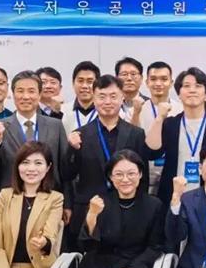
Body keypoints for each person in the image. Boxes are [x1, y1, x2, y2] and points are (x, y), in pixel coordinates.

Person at [65, 74, 157, 253]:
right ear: (93, 98)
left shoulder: (136, 134)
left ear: (122, 98)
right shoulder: (80, 134)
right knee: (90, 259)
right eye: (102, 96)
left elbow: (143, 176)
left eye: (113, 96)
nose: (108, 101)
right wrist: (72, 150)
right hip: (90, 207)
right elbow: (68, 174)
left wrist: (140, 206)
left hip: (128, 209)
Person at [146, 68, 206, 207]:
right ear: (179, 94)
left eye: (198, 86)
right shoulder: (170, 124)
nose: (192, 90)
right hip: (174, 196)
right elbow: (152, 152)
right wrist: (160, 118)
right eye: (186, 86)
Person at [0, 70, 69, 190]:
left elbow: (65, 169)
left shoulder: (55, 126)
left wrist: (67, 201)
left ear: (39, 95)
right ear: (13, 94)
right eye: (20, 91)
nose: (26, 96)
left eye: (31, 91)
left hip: (49, 195)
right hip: (13, 196)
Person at [135, 62, 183, 195]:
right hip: (144, 176)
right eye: (153, 79)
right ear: (147, 82)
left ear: (171, 82)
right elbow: (132, 140)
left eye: (164, 79)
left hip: (172, 176)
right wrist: (135, 114)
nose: (158, 83)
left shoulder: (181, 109)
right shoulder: (137, 109)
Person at [61, 61, 101, 134]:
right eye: (80, 81)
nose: (84, 86)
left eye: (90, 81)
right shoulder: (62, 111)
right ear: (73, 83)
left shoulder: (106, 111)